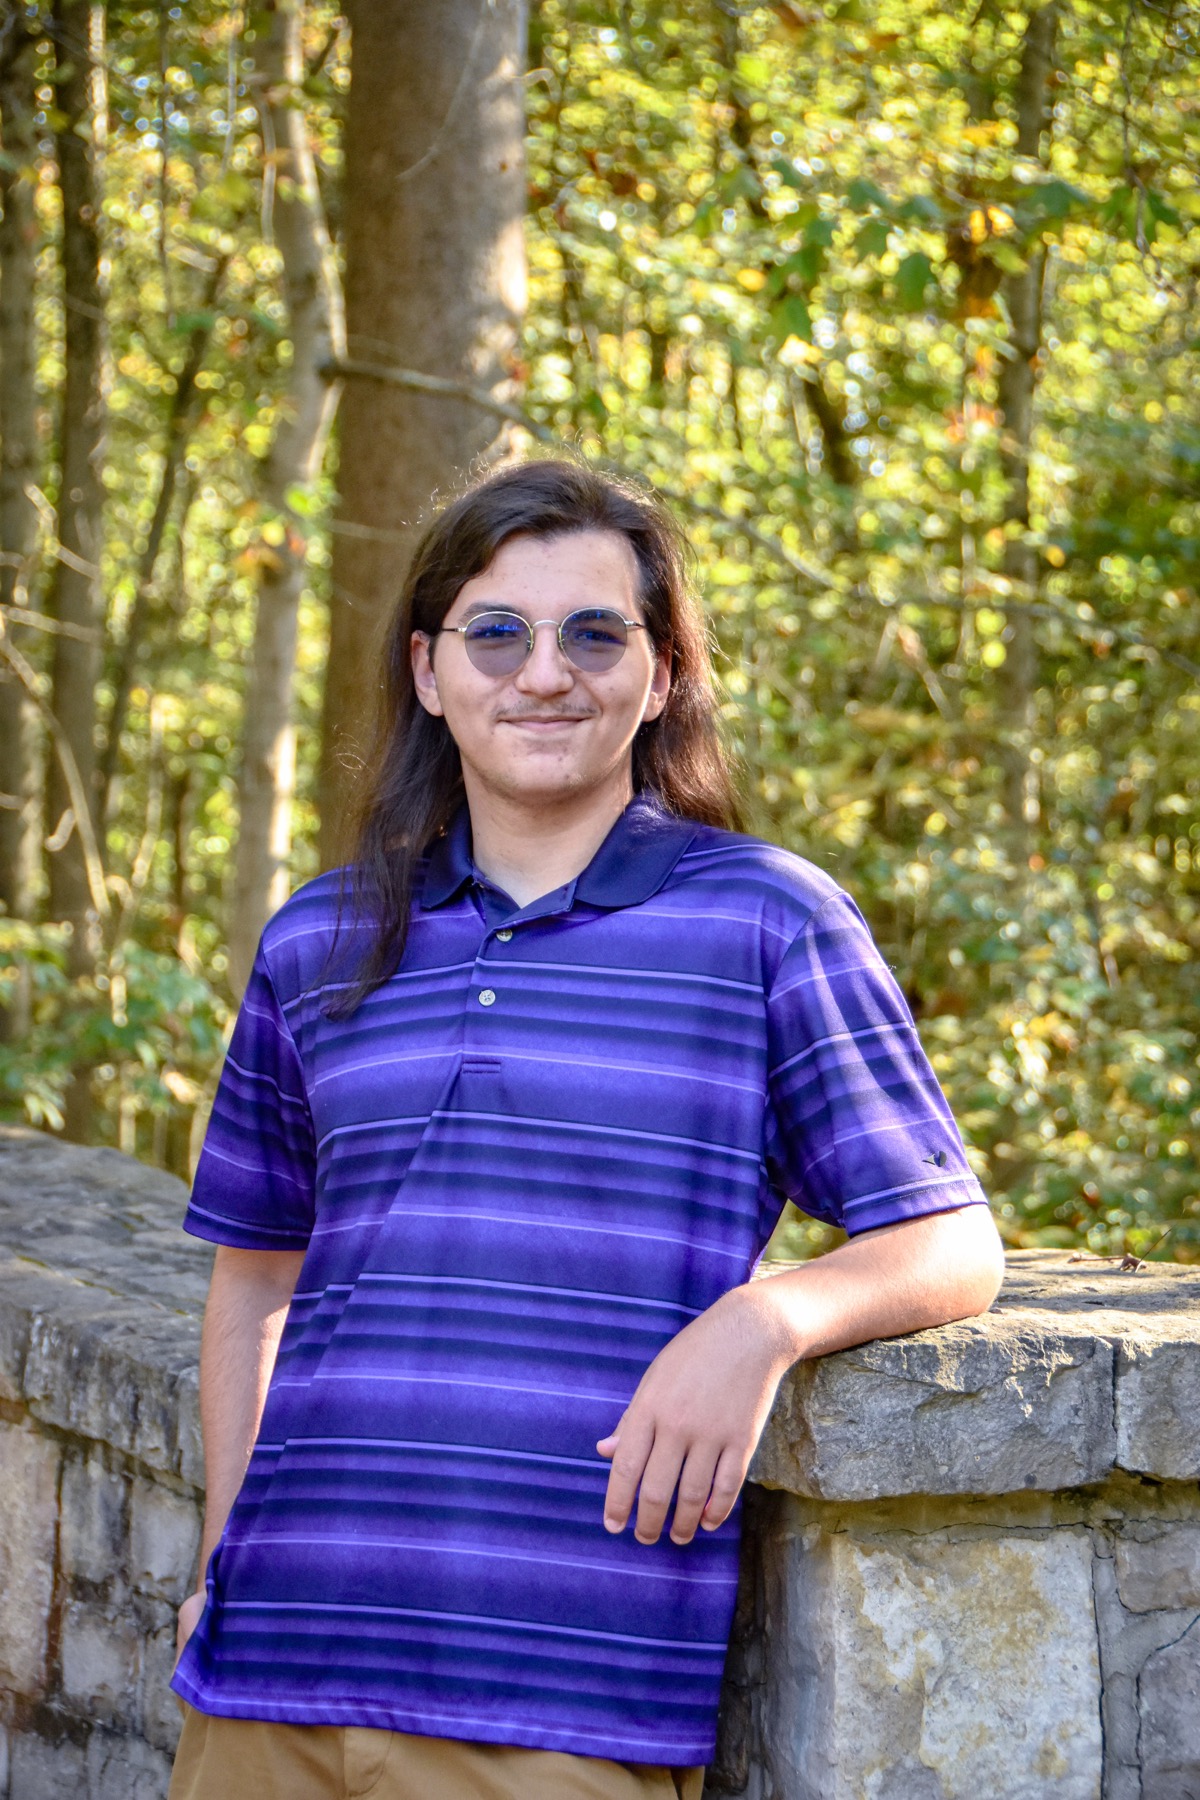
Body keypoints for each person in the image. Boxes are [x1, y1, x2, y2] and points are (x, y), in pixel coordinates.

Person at [169, 459, 1004, 1800]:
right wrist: (228, 1554)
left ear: (661, 674)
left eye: (593, 633)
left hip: (566, 1701)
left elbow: (950, 1241)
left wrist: (760, 1324)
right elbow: (257, 1277)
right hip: (273, 1671)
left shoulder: (767, 926)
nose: (542, 673)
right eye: (496, 632)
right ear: (430, 672)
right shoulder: (320, 937)